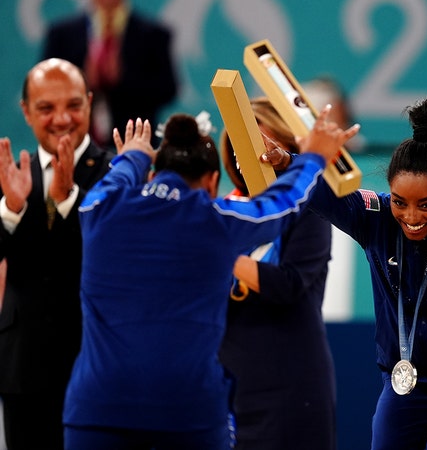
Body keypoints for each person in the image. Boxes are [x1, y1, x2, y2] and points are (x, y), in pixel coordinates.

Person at [62, 109, 357, 450]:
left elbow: (116, 178)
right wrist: (311, 158)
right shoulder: (214, 222)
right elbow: (281, 205)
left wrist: (133, 158)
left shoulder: (100, 208)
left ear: (153, 171)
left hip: (97, 409)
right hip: (187, 413)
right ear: (212, 182)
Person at [268, 95, 427, 449]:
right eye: (400, 201)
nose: (412, 217)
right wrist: (287, 163)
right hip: (407, 378)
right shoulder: (376, 218)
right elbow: (326, 195)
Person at [0, 58, 115, 450]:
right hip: (22, 371)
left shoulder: (117, 173)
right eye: (47, 108)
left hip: (94, 367)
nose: (62, 119)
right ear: (26, 112)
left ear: (89, 103)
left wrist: (68, 201)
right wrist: (11, 210)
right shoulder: (11, 176)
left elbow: (110, 253)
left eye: (73, 105)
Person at [218, 98, 336, 450]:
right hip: (227, 387)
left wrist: (218, 250)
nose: (250, 156)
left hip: (291, 385)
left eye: (261, 144)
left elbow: (289, 284)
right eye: (240, 144)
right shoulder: (225, 212)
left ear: (287, 146)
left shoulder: (312, 206)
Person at [41, 0, 178, 147]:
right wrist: (83, 82)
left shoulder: (154, 35)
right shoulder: (62, 35)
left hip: (135, 148)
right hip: (74, 146)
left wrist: (124, 78)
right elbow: (45, 91)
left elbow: (168, 90)